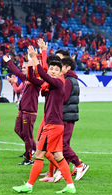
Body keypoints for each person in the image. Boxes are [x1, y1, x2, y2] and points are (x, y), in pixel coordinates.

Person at [12, 46, 76, 194]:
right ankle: (70, 186)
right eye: (51, 68)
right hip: (55, 124)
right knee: (58, 156)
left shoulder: (59, 82)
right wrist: (30, 62)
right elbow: (33, 78)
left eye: (55, 69)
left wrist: (36, 58)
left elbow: (41, 72)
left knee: (39, 154)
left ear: (60, 72)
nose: (52, 71)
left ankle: (28, 186)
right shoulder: (51, 83)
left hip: (52, 125)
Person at [44, 54, 89, 182]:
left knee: (62, 144)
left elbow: (63, 99)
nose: (58, 68)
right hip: (69, 115)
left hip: (66, 116)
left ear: (68, 67)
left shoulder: (68, 81)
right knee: (63, 144)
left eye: (61, 66)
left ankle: (79, 164)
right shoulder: (71, 79)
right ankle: (63, 170)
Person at [3, 55, 40, 165]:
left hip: (29, 111)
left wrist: (32, 59)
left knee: (27, 136)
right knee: (18, 129)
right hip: (22, 110)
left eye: (26, 67)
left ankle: (29, 158)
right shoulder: (26, 79)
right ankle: (34, 149)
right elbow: (17, 71)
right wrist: (9, 61)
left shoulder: (36, 80)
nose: (23, 69)